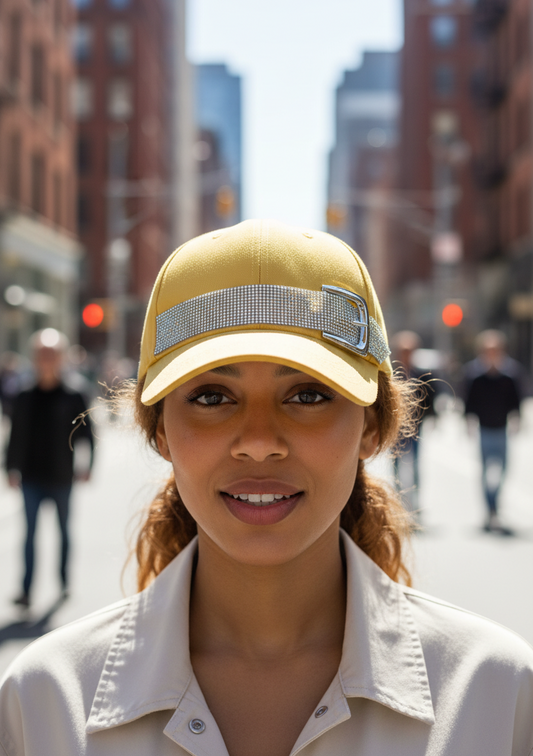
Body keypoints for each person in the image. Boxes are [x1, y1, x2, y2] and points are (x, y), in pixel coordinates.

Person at [1, 220, 532, 756]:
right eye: (212, 397)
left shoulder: (495, 695)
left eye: (307, 395)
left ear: (372, 427)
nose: (259, 442)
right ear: (160, 430)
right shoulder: (45, 703)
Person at [5, 328, 94, 608]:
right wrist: (9, 468)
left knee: (63, 531)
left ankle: (63, 582)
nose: (46, 359)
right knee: (29, 535)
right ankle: (27, 590)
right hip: (30, 477)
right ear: (34, 358)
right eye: (42, 354)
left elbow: (88, 434)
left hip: (62, 477)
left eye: (52, 354)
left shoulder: (74, 394)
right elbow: (15, 435)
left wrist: (88, 465)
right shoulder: (23, 395)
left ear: (61, 358)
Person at [464, 329, 524, 535]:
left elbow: (516, 401)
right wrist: (468, 423)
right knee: (485, 471)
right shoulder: (475, 375)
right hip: (484, 430)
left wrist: (517, 420)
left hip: (502, 430)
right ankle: (490, 508)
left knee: (502, 470)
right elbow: (469, 402)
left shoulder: (510, 374)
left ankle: (494, 502)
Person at [390, 330, 436, 516]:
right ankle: (398, 502)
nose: (407, 354)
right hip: (395, 431)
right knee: (396, 467)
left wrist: (432, 418)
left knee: (416, 466)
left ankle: (415, 502)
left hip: (416, 429)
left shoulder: (422, 375)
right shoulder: (391, 374)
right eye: (404, 351)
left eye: (410, 351)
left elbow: (430, 399)